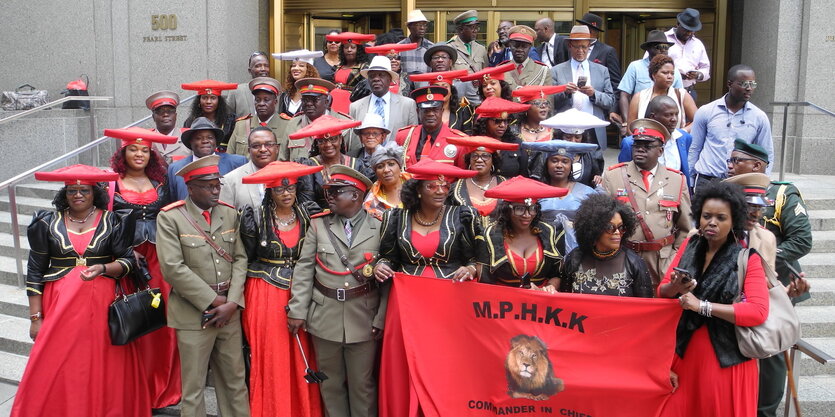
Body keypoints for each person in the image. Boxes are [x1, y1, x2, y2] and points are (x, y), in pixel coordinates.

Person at [11, 165, 148, 417]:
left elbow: (129, 262)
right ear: (65, 194)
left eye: (83, 189)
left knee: (104, 363)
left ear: (94, 192)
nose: (77, 195)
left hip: (103, 308)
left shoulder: (113, 220)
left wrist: (103, 267)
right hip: (60, 306)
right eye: (71, 190)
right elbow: (35, 272)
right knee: (59, 363)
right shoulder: (46, 222)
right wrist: (35, 318)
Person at [658, 181, 768, 417]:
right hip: (683, 354)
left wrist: (702, 306)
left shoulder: (748, 258)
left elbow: (757, 312)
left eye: (721, 218)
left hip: (725, 360)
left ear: (734, 221)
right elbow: (662, 291)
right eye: (707, 216)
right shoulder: (690, 245)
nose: (712, 223)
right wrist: (676, 286)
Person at [287, 165, 386, 417]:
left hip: (364, 317)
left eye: (336, 191)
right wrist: (298, 309)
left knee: (362, 386)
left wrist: (381, 318)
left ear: (355, 195)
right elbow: (304, 269)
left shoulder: (380, 226)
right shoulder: (319, 225)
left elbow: (388, 280)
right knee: (330, 384)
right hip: (324, 317)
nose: (328, 196)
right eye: (328, 191)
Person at [157, 155, 250, 417]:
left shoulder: (229, 213)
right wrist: (215, 301)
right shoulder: (171, 218)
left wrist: (232, 302)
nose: (215, 190)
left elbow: (241, 258)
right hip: (193, 314)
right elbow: (172, 267)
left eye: (217, 184)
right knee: (194, 386)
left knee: (235, 381)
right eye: (208, 186)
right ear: (191, 187)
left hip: (229, 312)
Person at [725, 140, 813, 417]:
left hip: (778, 285)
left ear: (757, 165)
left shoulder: (783, 194)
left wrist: (760, 257)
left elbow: (802, 239)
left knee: (771, 351)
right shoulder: (726, 193)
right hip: (736, 291)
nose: (730, 165)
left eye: (737, 160)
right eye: (730, 160)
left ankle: (765, 409)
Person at [238, 161, 324, 417]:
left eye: (291, 189)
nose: (286, 194)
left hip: (301, 287)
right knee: (271, 354)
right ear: (269, 192)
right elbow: (248, 256)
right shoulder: (254, 217)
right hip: (265, 290)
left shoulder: (309, 214)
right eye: (279, 190)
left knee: (303, 353)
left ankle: (302, 409)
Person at [106, 127, 182, 409]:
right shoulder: (110, 184)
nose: (139, 154)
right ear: (122, 153)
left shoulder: (161, 184)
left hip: (159, 260)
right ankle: (132, 387)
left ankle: (162, 387)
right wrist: (123, 253)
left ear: (151, 155)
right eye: (133, 149)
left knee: (161, 323)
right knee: (131, 319)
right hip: (126, 263)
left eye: (145, 150)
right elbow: (105, 224)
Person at [602, 119, 692, 287]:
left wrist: (674, 258)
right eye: (636, 145)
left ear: (660, 150)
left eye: (647, 145)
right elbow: (602, 223)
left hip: (662, 260)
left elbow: (685, 227)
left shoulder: (676, 180)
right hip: (623, 256)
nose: (640, 149)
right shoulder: (613, 177)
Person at [374, 158, 481, 281]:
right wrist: (381, 266)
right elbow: (387, 257)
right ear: (418, 190)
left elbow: (474, 259)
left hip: (451, 291)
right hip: (407, 292)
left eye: (445, 186)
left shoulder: (462, 216)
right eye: (432, 187)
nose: (440, 191)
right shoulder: (396, 218)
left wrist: (470, 269)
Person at [688, 64, 774, 191]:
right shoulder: (706, 111)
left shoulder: (759, 117)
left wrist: (762, 183)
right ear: (730, 84)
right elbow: (694, 148)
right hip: (707, 180)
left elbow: (767, 154)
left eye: (753, 84)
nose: (749, 88)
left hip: (740, 182)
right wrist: (689, 181)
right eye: (744, 84)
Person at [478, 176, 567, 291]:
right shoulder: (489, 235)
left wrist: (550, 287)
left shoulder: (552, 232)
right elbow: (484, 283)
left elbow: (557, 274)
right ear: (507, 210)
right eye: (519, 209)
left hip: (542, 303)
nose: (527, 215)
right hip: (503, 303)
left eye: (532, 208)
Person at [560, 193, 653, 297]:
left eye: (621, 227)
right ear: (594, 229)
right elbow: (564, 302)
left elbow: (645, 307)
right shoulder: (574, 258)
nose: (617, 232)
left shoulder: (634, 263)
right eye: (610, 227)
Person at [551, 25, 615, 163]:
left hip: (592, 128)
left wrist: (593, 94)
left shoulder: (601, 70)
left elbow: (610, 100)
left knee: (594, 167)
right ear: (569, 45)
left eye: (584, 47)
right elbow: (550, 102)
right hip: (566, 129)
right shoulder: (557, 70)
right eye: (577, 47)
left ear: (589, 47)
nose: (581, 51)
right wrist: (565, 92)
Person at [521, 139, 599, 253]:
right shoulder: (536, 192)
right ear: (546, 163)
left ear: (571, 165)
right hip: (543, 250)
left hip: (578, 253)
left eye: (565, 161)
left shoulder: (587, 192)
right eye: (554, 160)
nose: (559, 165)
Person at [291, 115, 373, 207]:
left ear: (341, 140)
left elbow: (365, 199)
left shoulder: (358, 165)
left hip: (352, 219)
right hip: (321, 219)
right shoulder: (310, 167)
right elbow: (307, 204)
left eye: (333, 139)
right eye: (322, 141)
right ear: (317, 143)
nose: (328, 144)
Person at [616, 29, 683, 135]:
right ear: (648, 49)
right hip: (641, 124)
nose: (662, 50)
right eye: (658, 47)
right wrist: (626, 122)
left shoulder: (674, 70)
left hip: (668, 126)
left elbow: (680, 97)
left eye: (665, 47)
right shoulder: (635, 66)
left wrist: (682, 131)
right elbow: (624, 95)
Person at [619, 95, 694, 188]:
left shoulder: (684, 138)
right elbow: (624, 177)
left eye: (676, 114)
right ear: (653, 117)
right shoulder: (630, 143)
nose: (674, 119)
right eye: (668, 115)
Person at [445, 135, 519, 227]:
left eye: (485, 156)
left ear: (493, 160)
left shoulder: (507, 185)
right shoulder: (455, 189)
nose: (479, 160)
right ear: (469, 160)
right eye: (475, 156)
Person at [167, 117, 247, 200]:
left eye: (210, 137)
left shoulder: (237, 163)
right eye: (198, 138)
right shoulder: (175, 169)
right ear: (190, 142)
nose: (205, 141)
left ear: (216, 141)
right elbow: (173, 202)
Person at [347, 55, 418, 148]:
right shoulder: (355, 107)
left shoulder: (407, 105)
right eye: (372, 76)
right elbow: (352, 141)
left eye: (381, 75)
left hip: (396, 159)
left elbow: (413, 138)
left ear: (390, 79)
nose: (376, 79)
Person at [283, 78, 353, 162]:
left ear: (327, 102)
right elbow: (283, 159)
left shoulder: (344, 124)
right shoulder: (293, 124)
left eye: (315, 100)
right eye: (305, 100)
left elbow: (353, 160)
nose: (309, 103)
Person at [396, 86, 468, 168]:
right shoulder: (404, 136)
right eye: (426, 110)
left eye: (435, 109)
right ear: (418, 111)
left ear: (442, 111)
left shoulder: (458, 141)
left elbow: (463, 176)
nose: (430, 114)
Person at [538, 107, 610, 186]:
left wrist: (596, 179)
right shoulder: (548, 154)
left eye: (577, 137)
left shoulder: (592, 154)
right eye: (568, 137)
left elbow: (595, 176)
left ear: (583, 138)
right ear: (560, 137)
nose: (573, 141)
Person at [220, 127, 280, 217]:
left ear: (277, 148)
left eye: (269, 144)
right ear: (249, 151)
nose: (263, 149)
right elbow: (225, 219)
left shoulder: (290, 175)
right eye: (256, 146)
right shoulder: (229, 181)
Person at [723, 173, 778, 269]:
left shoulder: (767, 239)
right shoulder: (704, 235)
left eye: (760, 208)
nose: (757, 214)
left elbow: (769, 280)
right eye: (751, 207)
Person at [627, 54, 696, 130]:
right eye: (665, 73)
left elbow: (698, 121)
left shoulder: (682, 95)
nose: (670, 76)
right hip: (644, 140)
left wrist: (682, 132)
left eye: (672, 73)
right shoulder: (639, 97)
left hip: (674, 140)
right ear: (654, 75)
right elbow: (630, 127)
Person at [227, 77, 289, 157]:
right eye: (258, 100)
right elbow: (230, 156)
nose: (261, 103)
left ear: (275, 102)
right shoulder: (241, 125)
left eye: (266, 100)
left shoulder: (287, 125)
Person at [473, 96, 531, 177]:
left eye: (506, 121)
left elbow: (524, 175)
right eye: (497, 121)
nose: (503, 125)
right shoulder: (474, 143)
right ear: (485, 122)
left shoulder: (517, 143)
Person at [663, 8, 711, 100]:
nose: (689, 33)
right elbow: (650, 64)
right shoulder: (663, 39)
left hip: (688, 92)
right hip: (665, 91)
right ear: (677, 24)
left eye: (692, 30)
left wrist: (698, 75)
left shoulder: (698, 44)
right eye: (686, 29)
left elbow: (706, 68)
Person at [408, 69, 475, 134]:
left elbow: (467, 134)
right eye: (437, 87)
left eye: (445, 87)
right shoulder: (423, 111)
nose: (441, 91)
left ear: (451, 91)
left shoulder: (463, 110)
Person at [181, 79, 239, 151]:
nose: (208, 102)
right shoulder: (191, 121)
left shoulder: (231, 120)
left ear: (219, 101)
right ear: (199, 101)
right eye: (205, 98)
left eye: (213, 98)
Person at [574, 13, 622, 93]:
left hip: (597, 101)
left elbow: (615, 83)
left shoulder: (607, 51)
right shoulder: (572, 49)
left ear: (593, 32)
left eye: (584, 29)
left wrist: (610, 103)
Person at [328, 31, 374, 114]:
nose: (349, 50)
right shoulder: (338, 67)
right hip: (333, 103)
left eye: (353, 47)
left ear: (358, 50)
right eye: (346, 47)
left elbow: (365, 90)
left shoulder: (364, 67)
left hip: (351, 103)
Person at [363, 142, 410, 221]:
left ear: (400, 167)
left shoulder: (417, 187)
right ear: (376, 172)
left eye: (391, 164)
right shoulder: (371, 201)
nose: (386, 170)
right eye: (380, 166)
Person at [499, 25, 552, 91]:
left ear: (530, 47)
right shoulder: (500, 70)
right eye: (516, 45)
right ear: (510, 46)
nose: (520, 49)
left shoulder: (543, 71)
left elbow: (548, 98)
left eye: (524, 46)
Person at [273, 49, 324, 118]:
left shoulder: (316, 94)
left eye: (301, 65)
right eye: (293, 65)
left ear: (309, 69)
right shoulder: (285, 95)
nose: (296, 68)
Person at [146, 90, 191, 164]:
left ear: (175, 116)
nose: (165, 114)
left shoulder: (188, 138)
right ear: (153, 117)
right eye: (160, 111)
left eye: (170, 111)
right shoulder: (147, 139)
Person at [225, 51, 272, 118]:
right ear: (250, 71)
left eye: (266, 66)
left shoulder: (277, 92)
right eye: (258, 66)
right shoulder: (236, 92)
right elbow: (227, 118)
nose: (263, 69)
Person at [398, 10, 434, 75]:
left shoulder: (431, 47)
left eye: (424, 25)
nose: (422, 28)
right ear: (409, 27)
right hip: (406, 84)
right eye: (418, 25)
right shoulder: (399, 47)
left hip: (426, 84)